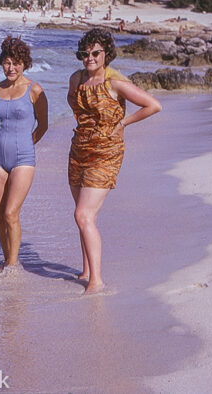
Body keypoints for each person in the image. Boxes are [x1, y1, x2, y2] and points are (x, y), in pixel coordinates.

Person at [67, 28, 162, 293]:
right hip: (79, 149)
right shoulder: (76, 79)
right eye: (85, 53)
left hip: (107, 152)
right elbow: (73, 103)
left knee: (83, 214)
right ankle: (86, 269)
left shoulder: (115, 83)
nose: (90, 58)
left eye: (95, 53)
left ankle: (96, 281)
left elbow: (153, 105)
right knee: (83, 216)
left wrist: (123, 122)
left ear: (106, 54)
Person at [0, 37, 48, 271]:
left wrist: (26, 144)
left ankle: (13, 265)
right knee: (0, 212)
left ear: (25, 64)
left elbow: (42, 125)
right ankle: (6, 258)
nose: (11, 68)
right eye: (7, 62)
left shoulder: (35, 91)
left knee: (11, 212)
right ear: (1, 63)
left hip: (23, 158)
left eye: (17, 63)